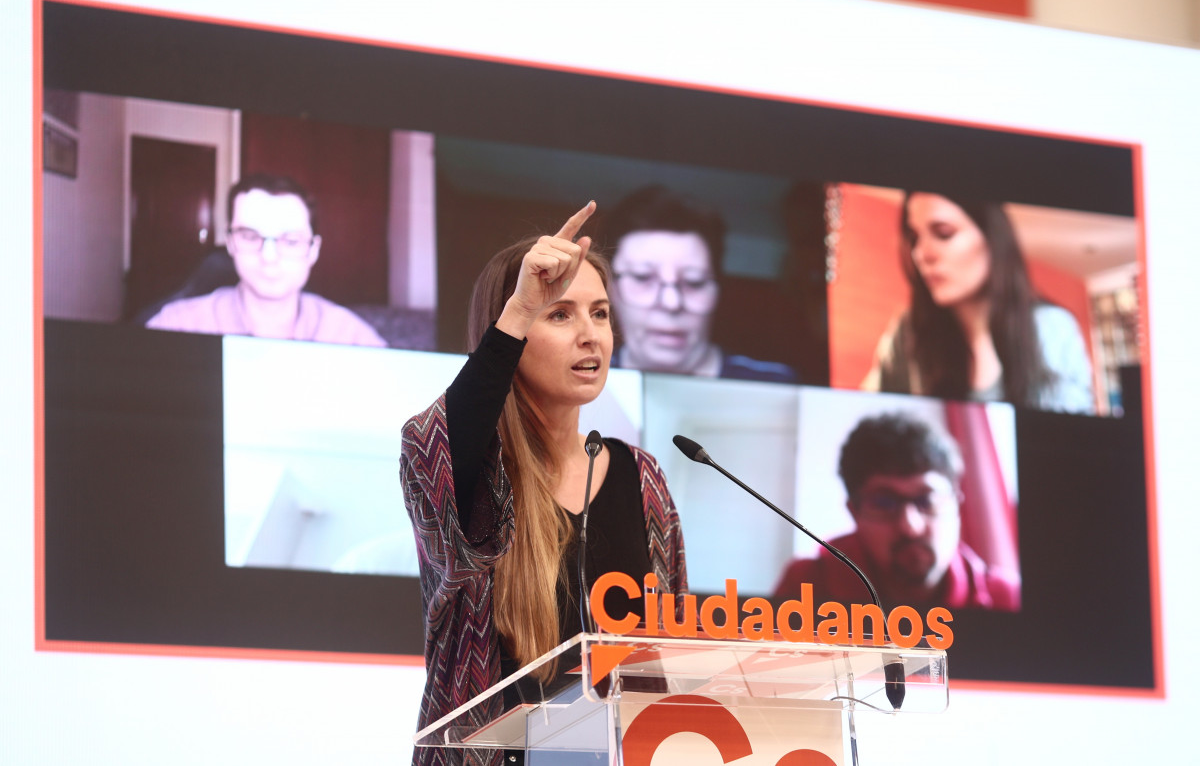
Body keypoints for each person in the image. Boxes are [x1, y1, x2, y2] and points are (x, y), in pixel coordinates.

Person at [399, 203, 687, 766]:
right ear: (511, 334)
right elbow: (429, 443)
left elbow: (667, 650)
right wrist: (522, 306)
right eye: (559, 315)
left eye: (600, 314)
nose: (590, 335)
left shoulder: (640, 475)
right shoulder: (473, 471)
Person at [862, 191, 1094, 413]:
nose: (922, 254)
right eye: (914, 238)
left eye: (943, 233)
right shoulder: (908, 332)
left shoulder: (1052, 327)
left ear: (992, 238)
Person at [773, 412, 1020, 612]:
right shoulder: (804, 588)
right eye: (883, 503)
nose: (910, 526)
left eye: (928, 500)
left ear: (957, 505)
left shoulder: (1007, 597)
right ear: (854, 512)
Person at [145, 173, 386, 347]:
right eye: (250, 237)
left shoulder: (352, 337)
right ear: (230, 243)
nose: (269, 257)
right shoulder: (175, 326)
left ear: (313, 250)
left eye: (291, 241)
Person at [604, 184, 796, 382]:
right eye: (642, 277)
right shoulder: (583, 382)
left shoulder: (775, 384)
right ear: (610, 290)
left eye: (694, 282)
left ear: (718, 290)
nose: (671, 303)